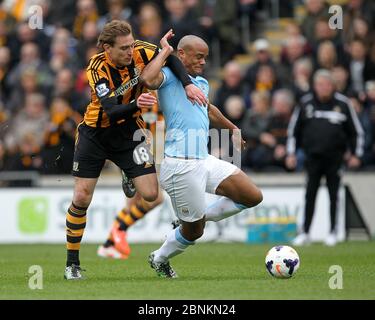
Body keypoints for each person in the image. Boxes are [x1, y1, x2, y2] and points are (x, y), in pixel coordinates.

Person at [64, 20, 207, 280]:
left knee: (152, 195)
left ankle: (128, 172)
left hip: (131, 133)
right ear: (107, 48)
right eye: (123, 48)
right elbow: (110, 110)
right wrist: (138, 105)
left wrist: (187, 83)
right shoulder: (96, 67)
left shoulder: (141, 50)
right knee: (82, 197)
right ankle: (72, 263)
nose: (130, 52)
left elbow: (171, 59)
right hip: (95, 134)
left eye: (131, 45)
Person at [139, 34, 263, 278]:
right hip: (180, 165)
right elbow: (147, 78)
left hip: (204, 159)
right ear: (181, 54)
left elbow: (209, 108)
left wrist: (233, 128)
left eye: (205, 57)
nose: (203, 62)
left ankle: (189, 223)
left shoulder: (201, 83)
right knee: (194, 233)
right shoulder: (169, 77)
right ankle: (160, 257)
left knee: (252, 196)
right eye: (199, 56)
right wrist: (165, 52)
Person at [286, 69, 364, 247]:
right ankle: (305, 232)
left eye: (327, 85)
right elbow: (293, 131)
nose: (323, 88)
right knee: (310, 195)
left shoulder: (343, 104)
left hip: (335, 159)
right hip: (312, 158)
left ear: (333, 86)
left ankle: (333, 231)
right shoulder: (306, 104)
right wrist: (291, 153)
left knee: (333, 195)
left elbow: (356, 132)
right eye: (320, 85)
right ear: (315, 86)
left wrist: (356, 154)